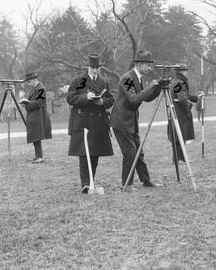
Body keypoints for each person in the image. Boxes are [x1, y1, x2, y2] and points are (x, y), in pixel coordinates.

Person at [110, 51, 164, 190]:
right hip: (121, 122)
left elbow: (146, 98)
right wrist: (150, 86)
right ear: (139, 64)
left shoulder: (138, 78)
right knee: (130, 153)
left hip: (131, 122)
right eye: (147, 65)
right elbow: (134, 99)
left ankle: (146, 181)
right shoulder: (127, 78)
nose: (149, 68)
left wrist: (158, 87)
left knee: (139, 153)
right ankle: (127, 184)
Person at [67, 54, 115, 193]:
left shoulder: (104, 81)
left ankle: (91, 180)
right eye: (92, 67)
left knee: (95, 153)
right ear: (88, 67)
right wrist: (84, 97)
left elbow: (110, 99)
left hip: (98, 122)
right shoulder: (78, 80)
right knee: (84, 153)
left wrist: (102, 102)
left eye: (97, 68)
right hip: (83, 121)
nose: (95, 70)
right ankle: (86, 184)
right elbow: (70, 98)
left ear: (100, 67)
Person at [168, 64, 203, 163]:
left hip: (176, 111)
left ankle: (179, 158)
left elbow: (185, 95)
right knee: (179, 135)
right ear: (181, 72)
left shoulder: (176, 81)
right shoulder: (179, 82)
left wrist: (197, 98)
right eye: (185, 70)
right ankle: (178, 158)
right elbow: (182, 99)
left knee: (179, 135)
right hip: (180, 112)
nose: (186, 72)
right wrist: (189, 106)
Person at [20, 72, 52, 163]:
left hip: (39, 115)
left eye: (29, 82)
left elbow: (39, 103)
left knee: (37, 135)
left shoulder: (41, 89)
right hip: (34, 115)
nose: (28, 84)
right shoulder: (34, 88)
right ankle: (38, 155)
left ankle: (40, 157)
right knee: (35, 135)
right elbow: (34, 101)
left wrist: (26, 105)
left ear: (34, 80)